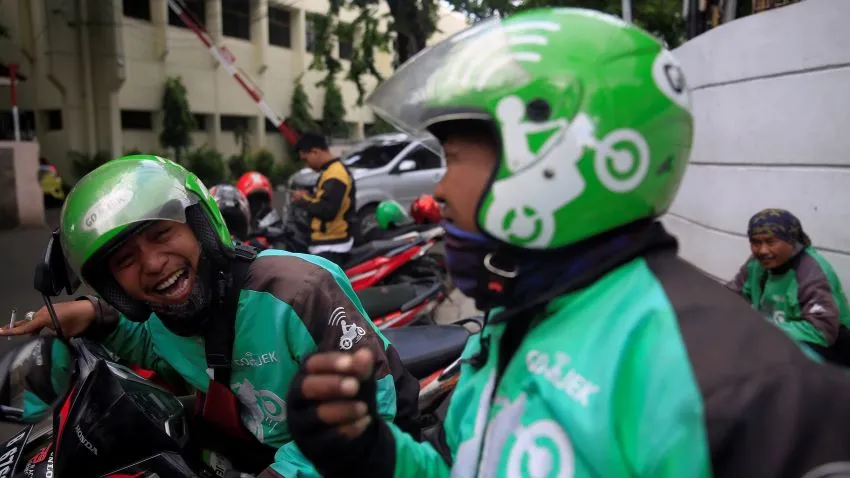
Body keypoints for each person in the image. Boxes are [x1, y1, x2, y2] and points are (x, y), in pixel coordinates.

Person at [282, 8, 850, 478]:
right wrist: (371, 452)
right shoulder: (518, 317)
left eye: (454, 159)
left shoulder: (727, 384)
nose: (441, 191)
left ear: (564, 160)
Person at [1, 155, 419, 477]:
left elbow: (367, 408)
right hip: (264, 448)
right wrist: (92, 314)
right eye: (125, 260)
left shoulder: (300, 291)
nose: (153, 264)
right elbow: (151, 343)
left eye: (161, 234)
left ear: (200, 224)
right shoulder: (171, 318)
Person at [727, 208, 850, 351]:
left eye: (771, 242)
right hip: (774, 334)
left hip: (823, 348)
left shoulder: (811, 271)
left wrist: (762, 329)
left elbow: (821, 330)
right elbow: (732, 294)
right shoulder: (756, 264)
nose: (762, 250)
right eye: (755, 242)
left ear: (791, 241)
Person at [291, 132, 357, 265]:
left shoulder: (335, 174)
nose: (307, 165)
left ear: (315, 152)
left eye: (306, 159)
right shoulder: (331, 171)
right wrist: (309, 196)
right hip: (327, 243)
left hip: (331, 246)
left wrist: (302, 200)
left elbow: (327, 209)